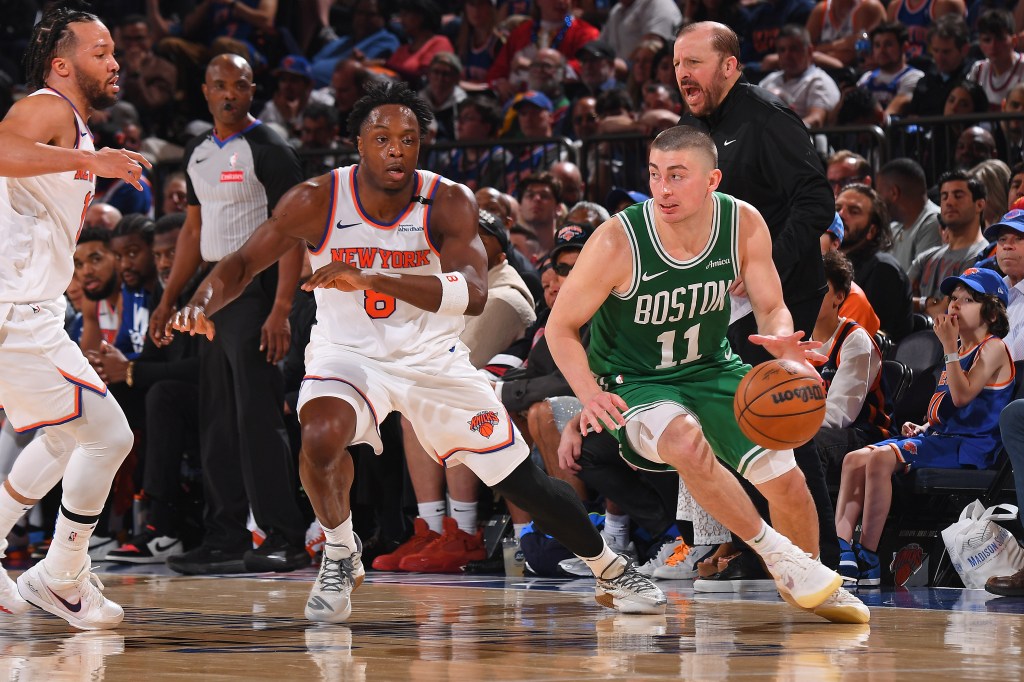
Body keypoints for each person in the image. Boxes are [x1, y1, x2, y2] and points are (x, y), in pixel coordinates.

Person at [166, 80, 666, 623]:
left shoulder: (447, 200)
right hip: (348, 353)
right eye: (382, 138)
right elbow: (242, 262)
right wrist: (199, 303)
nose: (396, 150)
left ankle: (609, 567)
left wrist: (372, 278)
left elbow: (474, 294)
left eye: (408, 139)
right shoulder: (317, 199)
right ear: (359, 144)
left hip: (432, 359)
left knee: (525, 483)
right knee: (320, 434)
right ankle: (340, 551)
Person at [546, 125, 868, 624]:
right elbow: (560, 327)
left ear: (712, 180)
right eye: (655, 175)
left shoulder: (742, 223)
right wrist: (589, 395)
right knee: (684, 440)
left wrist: (783, 342)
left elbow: (771, 306)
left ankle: (812, 584)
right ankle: (778, 554)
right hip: (634, 380)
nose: (663, 189)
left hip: (711, 367)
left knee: (787, 481)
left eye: (677, 175)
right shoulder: (618, 240)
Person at [0, 6, 151, 629]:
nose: (114, 62)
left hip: (27, 310)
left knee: (67, 436)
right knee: (108, 436)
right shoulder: (50, 108)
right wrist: (93, 163)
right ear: (62, 65)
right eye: (100, 51)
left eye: (113, 51)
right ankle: (61, 578)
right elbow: (1, 149)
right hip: (15, 311)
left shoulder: (72, 128)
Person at [148, 53, 309, 576]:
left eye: (239, 85)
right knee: (216, 420)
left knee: (257, 419)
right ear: (205, 90)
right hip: (212, 292)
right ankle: (224, 535)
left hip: (258, 290)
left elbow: (292, 233)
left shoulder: (270, 148)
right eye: (219, 85)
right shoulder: (198, 151)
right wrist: (170, 299)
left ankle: (284, 537)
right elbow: (192, 231)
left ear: (251, 90)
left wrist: (280, 309)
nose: (229, 94)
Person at [835, 267, 1014, 586]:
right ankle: (842, 550)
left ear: (991, 312)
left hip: (972, 447)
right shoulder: (958, 349)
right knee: (853, 459)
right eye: (953, 298)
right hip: (943, 439)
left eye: (968, 299)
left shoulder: (993, 347)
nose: (955, 304)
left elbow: (961, 396)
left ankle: (869, 557)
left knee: (880, 459)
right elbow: (946, 408)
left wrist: (948, 349)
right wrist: (924, 427)